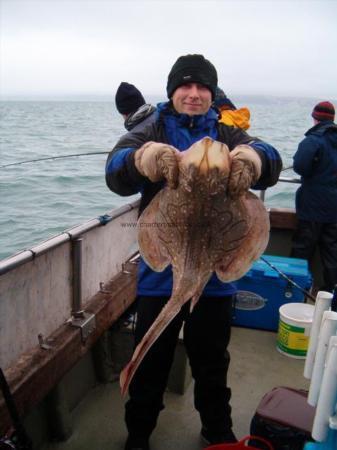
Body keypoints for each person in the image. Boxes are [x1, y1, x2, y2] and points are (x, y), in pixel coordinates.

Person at [105, 54, 282, 450]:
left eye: (203, 87)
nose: (194, 93)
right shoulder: (152, 127)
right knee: (151, 363)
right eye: (185, 85)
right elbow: (114, 171)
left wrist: (254, 159)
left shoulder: (229, 128)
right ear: (173, 90)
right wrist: (139, 158)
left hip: (215, 274)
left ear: (212, 93)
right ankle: (138, 435)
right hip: (161, 273)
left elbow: (270, 156)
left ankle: (217, 431)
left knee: (212, 361)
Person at [291, 101, 337, 292]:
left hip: (312, 208)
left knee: (302, 251)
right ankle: (331, 297)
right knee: (332, 254)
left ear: (314, 118)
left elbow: (300, 167)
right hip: (334, 210)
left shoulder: (312, 140)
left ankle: (294, 292)